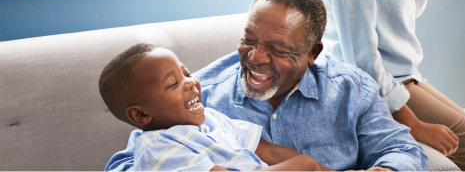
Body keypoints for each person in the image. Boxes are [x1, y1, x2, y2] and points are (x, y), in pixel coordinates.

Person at [105, 0, 428, 171]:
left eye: (277, 48)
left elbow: (401, 148)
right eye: (249, 39)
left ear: (312, 54)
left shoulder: (351, 89)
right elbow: (131, 160)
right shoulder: (198, 99)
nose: (256, 57)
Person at [317, 0, 465, 171]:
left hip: (406, 76)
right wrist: (415, 124)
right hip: (375, 85)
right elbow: (362, 60)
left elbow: (410, 8)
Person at [98, 44, 330, 172]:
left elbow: (270, 152)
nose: (190, 82)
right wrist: (303, 166)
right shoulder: (159, 152)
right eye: (173, 83)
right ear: (140, 114)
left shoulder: (211, 118)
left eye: (186, 73)